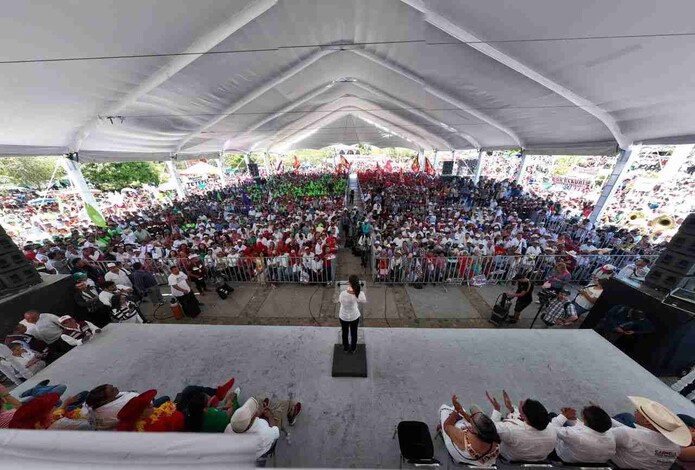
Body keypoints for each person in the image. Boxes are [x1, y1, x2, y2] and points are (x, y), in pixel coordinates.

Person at [610, 396, 691, 469]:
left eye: (638, 410)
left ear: (647, 421)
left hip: (617, 463)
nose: (635, 411)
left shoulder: (627, 434)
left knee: (623, 418)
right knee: (626, 417)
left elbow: (602, 437)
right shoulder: (676, 448)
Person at [485, 390, 557, 462]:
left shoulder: (510, 430)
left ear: (524, 417)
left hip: (511, 457)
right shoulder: (552, 429)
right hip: (540, 457)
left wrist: (497, 409)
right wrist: (511, 409)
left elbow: (490, 429)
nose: (520, 403)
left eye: (522, 406)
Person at [228, 396, 302, 459]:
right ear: (251, 420)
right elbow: (275, 431)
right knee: (285, 404)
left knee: (259, 402)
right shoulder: (263, 433)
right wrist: (270, 416)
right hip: (268, 436)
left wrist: (258, 415)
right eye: (252, 414)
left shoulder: (230, 428)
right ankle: (292, 414)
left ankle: (263, 405)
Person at [439, 394, 501, 466]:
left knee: (444, 411)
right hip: (484, 462)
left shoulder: (464, 439)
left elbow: (447, 426)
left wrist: (456, 410)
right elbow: (475, 424)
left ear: (476, 432)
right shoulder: (495, 438)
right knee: (464, 419)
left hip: (464, 457)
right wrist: (462, 412)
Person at [549, 404, 616, 463]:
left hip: (564, 458)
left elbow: (553, 428)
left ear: (585, 420)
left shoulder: (576, 435)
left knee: (552, 416)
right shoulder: (611, 436)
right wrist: (571, 419)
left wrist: (563, 415)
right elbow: (583, 428)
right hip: (590, 461)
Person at [116, 389, 185, 432]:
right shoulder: (151, 426)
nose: (151, 405)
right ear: (141, 414)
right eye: (148, 406)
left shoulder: (148, 416)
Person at [338, 274, 366, 354]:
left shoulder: (343, 293)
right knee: (354, 333)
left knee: (345, 333)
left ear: (350, 283)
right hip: (354, 316)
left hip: (343, 317)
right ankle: (353, 349)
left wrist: (350, 291)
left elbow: (340, 301)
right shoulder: (359, 294)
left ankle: (346, 348)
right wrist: (355, 292)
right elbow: (363, 300)